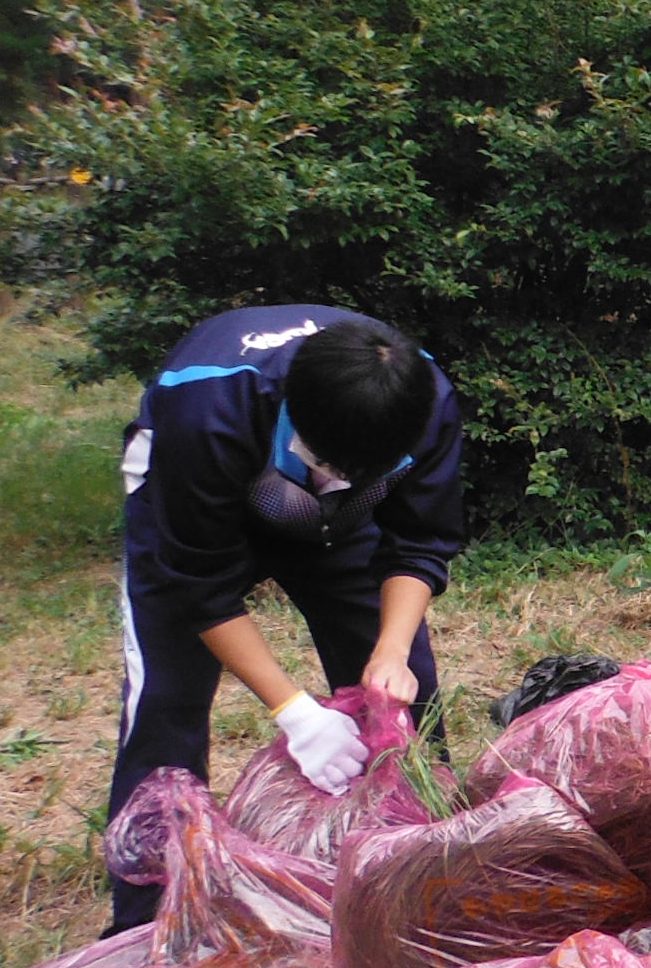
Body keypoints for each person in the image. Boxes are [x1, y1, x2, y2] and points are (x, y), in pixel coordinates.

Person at [109, 307, 462, 933]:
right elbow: (199, 584)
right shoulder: (206, 408)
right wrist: (294, 711)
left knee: (404, 701)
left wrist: (390, 651)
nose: (339, 478)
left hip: (338, 528)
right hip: (200, 507)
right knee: (167, 702)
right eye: (330, 462)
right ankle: (149, 922)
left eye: (361, 473)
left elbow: (418, 543)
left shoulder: (422, 401)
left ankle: (418, 885)